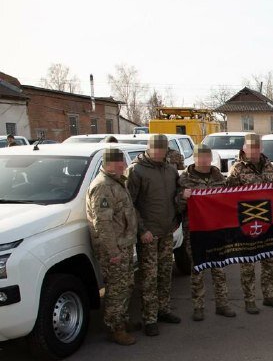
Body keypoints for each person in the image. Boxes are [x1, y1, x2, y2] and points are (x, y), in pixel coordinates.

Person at [125, 134, 182, 336]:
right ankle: (150, 318)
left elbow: (176, 196)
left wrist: (177, 219)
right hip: (149, 235)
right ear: (148, 148)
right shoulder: (136, 170)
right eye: (155, 148)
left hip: (167, 232)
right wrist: (142, 230)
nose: (158, 151)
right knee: (149, 277)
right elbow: (129, 205)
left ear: (166, 149)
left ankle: (163, 310)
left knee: (165, 274)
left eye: (162, 148)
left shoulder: (170, 170)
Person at [226, 133, 273, 314]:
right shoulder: (236, 169)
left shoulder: (271, 168)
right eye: (250, 147)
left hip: (267, 221)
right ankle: (249, 299)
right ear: (244, 148)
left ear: (261, 148)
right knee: (248, 263)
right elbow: (228, 195)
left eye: (257, 147)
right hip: (247, 221)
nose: (254, 150)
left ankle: (269, 295)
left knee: (269, 260)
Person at [177, 144, 236, 321]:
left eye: (206, 157)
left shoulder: (220, 177)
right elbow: (177, 207)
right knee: (198, 268)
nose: (203, 160)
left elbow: (228, 202)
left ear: (211, 158)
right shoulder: (184, 179)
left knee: (219, 268)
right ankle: (198, 307)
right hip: (195, 231)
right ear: (194, 158)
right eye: (199, 157)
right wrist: (182, 197)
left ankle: (222, 304)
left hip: (217, 229)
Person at [86, 147, 138, 345]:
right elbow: (103, 223)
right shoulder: (102, 187)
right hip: (113, 247)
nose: (124, 166)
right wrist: (113, 251)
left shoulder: (116, 182)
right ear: (109, 165)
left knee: (126, 284)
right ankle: (115, 328)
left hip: (123, 244)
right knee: (116, 288)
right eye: (120, 163)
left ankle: (122, 320)